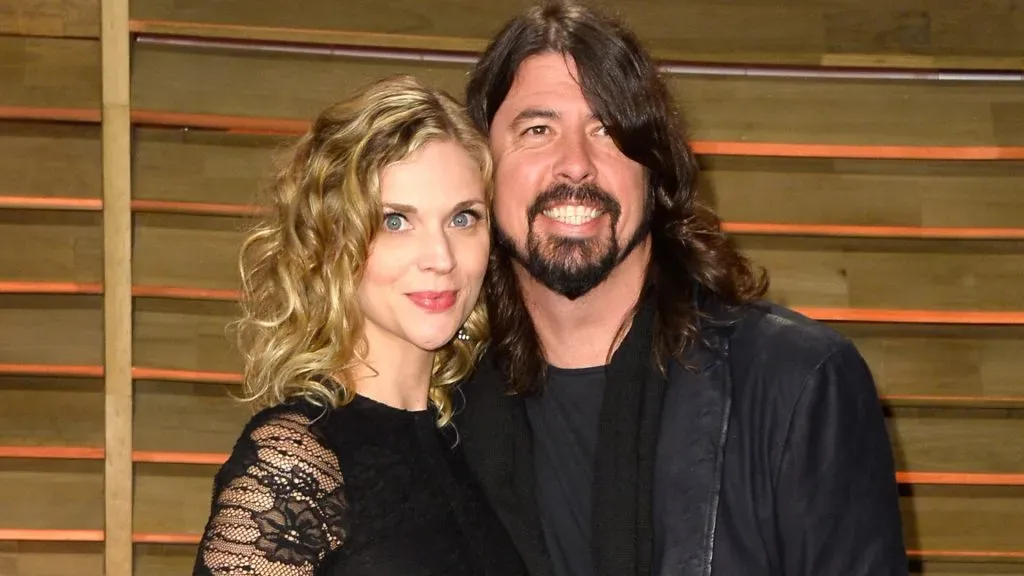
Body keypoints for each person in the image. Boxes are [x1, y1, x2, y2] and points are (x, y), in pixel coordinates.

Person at [454, 2, 909, 576]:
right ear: (480, 168)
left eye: (608, 129)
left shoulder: (801, 383)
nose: (576, 165)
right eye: (538, 130)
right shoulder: (439, 399)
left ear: (656, 170)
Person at [192, 75, 528, 576]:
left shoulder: (476, 441)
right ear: (332, 242)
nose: (440, 257)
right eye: (395, 221)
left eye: (463, 219)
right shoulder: (296, 457)